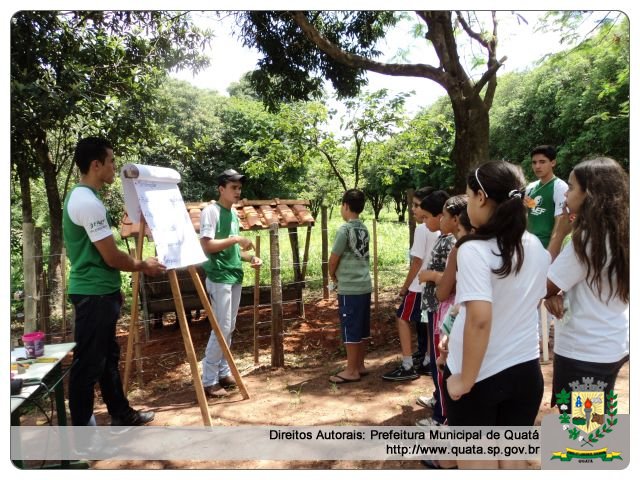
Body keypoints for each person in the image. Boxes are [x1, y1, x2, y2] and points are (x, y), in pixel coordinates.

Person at [445, 161, 549, 469]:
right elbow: (519, 304)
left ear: (480, 197)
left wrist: (464, 380)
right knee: (513, 467)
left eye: (468, 194)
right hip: (525, 373)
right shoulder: (535, 246)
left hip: (481, 380)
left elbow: (480, 318)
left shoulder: (473, 249)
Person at [63, 136, 166, 427]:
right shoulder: (87, 202)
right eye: (110, 162)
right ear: (96, 165)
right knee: (88, 365)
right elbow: (110, 255)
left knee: (107, 358)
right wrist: (142, 265)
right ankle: (82, 437)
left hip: (100, 292)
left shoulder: (84, 197)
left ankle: (121, 414)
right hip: (93, 293)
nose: (113, 168)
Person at [544, 157, 629, 411]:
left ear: (589, 194)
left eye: (571, 188)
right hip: (612, 341)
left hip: (584, 350)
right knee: (593, 423)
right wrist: (556, 292)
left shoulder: (589, 240)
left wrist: (559, 233)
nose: (566, 194)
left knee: (582, 434)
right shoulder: (623, 233)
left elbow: (544, 285)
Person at [199, 169, 262, 398]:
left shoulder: (233, 214)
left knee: (230, 326)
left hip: (234, 275)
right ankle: (209, 380)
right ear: (221, 189)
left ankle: (224, 372)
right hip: (218, 276)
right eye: (233, 187)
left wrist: (249, 258)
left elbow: (232, 249)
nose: (238, 191)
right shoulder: (211, 212)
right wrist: (236, 239)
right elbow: (206, 246)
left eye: (239, 187)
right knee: (221, 327)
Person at [381, 187, 439, 381]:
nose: (413, 209)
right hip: (433, 284)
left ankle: (407, 365)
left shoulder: (423, 229)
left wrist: (405, 287)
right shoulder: (441, 227)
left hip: (418, 285)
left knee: (402, 318)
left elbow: (417, 261)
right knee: (430, 322)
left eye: (417, 205)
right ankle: (428, 360)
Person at [413, 190, 454, 426]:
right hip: (435, 306)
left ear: (443, 216)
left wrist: (430, 275)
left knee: (442, 362)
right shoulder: (444, 238)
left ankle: (441, 416)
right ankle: (439, 401)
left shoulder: (451, 242)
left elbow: (452, 277)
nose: (424, 221)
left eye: (428, 217)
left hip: (442, 308)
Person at [327, 189, 372, 384]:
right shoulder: (364, 228)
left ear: (345, 206)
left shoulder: (344, 230)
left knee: (350, 328)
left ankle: (351, 370)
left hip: (349, 287)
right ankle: (359, 365)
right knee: (361, 328)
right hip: (364, 285)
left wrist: (332, 276)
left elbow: (334, 258)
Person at [525, 145, 569, 260]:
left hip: (547, 247)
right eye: (534, 162)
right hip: (529, 246)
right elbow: (535, 211)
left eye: (542, 162)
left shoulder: (560, 187)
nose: (537, 166)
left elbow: (560, 223)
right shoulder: (530, 187)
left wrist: (549, 254)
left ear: (553, 163)